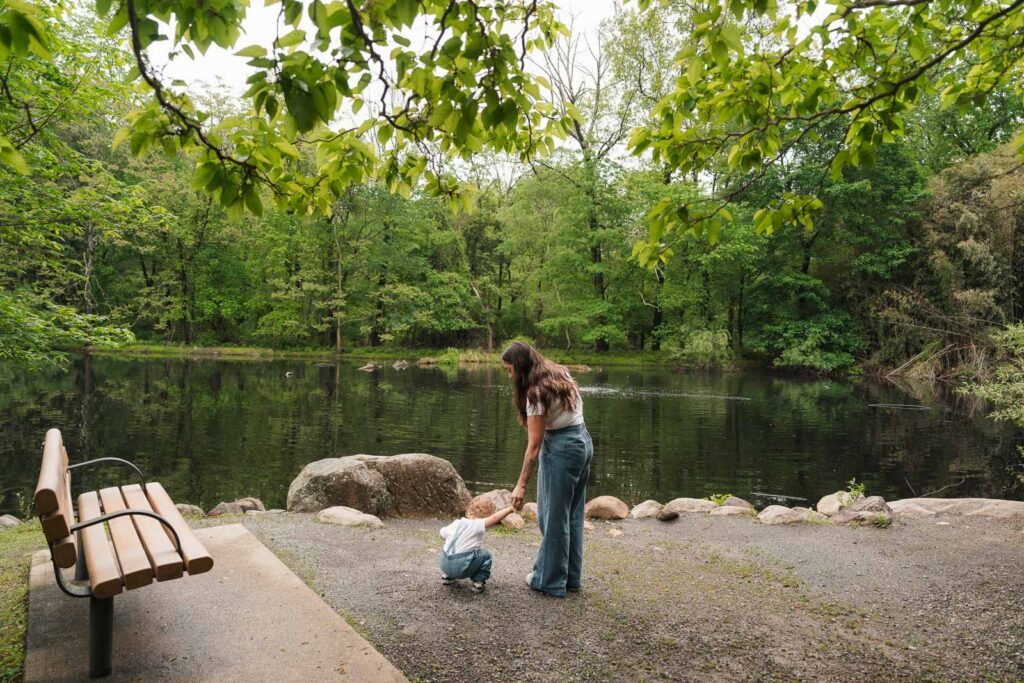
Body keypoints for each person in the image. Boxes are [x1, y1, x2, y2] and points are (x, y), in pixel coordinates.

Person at [501, 340, 593, 598]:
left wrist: (520, 485)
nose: (509, 376)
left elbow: (533, 447)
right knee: (571, 515)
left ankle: (549, 581)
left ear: (520, 368)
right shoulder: (559, 372)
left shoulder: (535, 393)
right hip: (583, 442)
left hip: (562, 447)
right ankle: (570, 578)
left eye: (510, 370)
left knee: (551, 518)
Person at [438, 505, 516, 593]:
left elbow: (441, 534)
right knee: (485, 555)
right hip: (460, 567)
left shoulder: (457, 522)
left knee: (453, 552)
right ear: (485, 517)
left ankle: (448, 577)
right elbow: (495, 518)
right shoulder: (477, 524)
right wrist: (511, 508)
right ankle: (478, 583)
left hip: (443, 563)